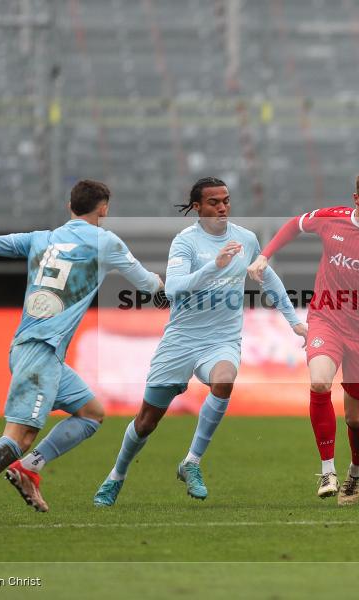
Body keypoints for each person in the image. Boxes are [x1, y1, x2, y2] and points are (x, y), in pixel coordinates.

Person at [0, 180, 163, 526]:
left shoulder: (41, 238)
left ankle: (29, 468)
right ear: (104, 209)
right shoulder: (105, 242)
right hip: (41, 353)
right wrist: (170, 283)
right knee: (19, 436)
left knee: (91, 413)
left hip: (27, 348)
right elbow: (147, 285)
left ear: (69, 206)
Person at [93, 177, 306, 506]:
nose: (222, 207)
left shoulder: (245, 239)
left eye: (226, 200)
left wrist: (294, 322)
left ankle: (191, 462)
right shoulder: (185, 243)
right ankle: (116, 475)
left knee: (224, 381)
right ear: (197, 207)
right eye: (213, 202)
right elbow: (174, 288)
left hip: (221, 340)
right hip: (180, 341)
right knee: (147, 420)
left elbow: (268, 277)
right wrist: (214, 265)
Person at [247, 166, 359, 505]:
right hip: (326, 317)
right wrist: (264, 257)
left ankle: (356, 470)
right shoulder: (331, 219)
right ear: (356, 199)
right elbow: (295, 224)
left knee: (356, 418)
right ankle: (328, 470)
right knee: (320, 383)